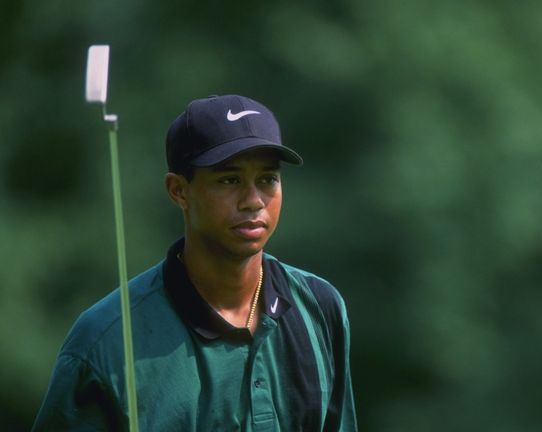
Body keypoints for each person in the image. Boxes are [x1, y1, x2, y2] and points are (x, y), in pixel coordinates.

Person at [32, 94, 357, 431]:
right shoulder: (104, 340)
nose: (253, 201)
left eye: (267, 179)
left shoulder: (320, 306)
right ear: (179, 191)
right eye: (229, 180)